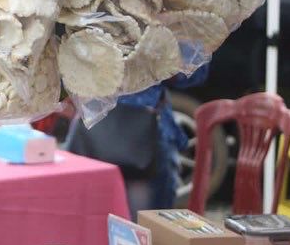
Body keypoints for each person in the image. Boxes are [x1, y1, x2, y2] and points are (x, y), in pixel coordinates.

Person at [65, 67, 208, 218]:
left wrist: (164, 63)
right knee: (86, 227)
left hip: (140, 141)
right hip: (93, 134)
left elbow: (196, 69)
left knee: (141, 232)